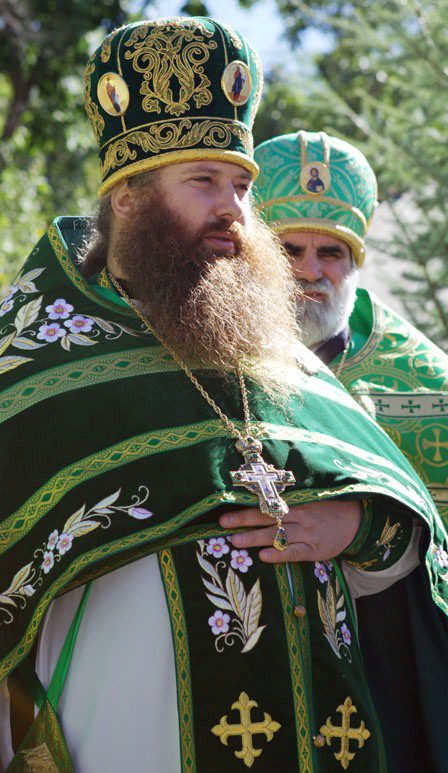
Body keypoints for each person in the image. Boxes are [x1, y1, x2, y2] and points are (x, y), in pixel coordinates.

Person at [0, 20, 447, 773]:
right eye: (203, 182)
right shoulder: (36, 374)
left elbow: (409, 536)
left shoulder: (281, 361)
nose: (234, 210)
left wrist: (358, 526)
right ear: (128, 196)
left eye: (241, 186)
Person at [254, 130, 448, 772]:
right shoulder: (206, 352)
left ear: (355, 262)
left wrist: (368, 530)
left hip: (383, 679)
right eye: (290, 250)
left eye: (331, 252)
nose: (310, 271)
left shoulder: (426, 387)